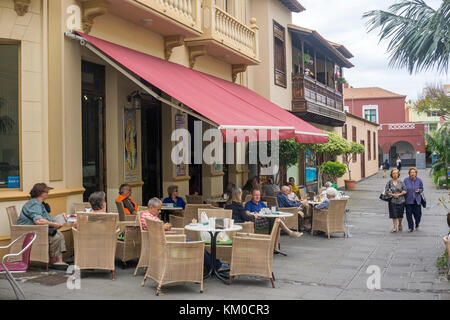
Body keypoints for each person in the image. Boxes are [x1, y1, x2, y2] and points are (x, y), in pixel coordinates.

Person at [141, 197, 226, 273]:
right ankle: (216, 266)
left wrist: (164, 226)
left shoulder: (147, 215)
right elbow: (156, 227)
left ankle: (213, 266)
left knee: (198, 245)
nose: (159, 212)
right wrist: (164, 226)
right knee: (199, 246)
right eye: (158, 210)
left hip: (168, 240)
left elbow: (157, 227)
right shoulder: (147, 217)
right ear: (151, 207)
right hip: (170, 243)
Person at [17, 183, 67, 268]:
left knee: (59, 234)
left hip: (36, 230)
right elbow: (38, 221)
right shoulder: (34, 204)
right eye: (47, 191)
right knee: (55, 237)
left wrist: (60, 219)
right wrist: (54, 224)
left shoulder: (39, 203)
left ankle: (58, 261)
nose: (48, 193)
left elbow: (45, 219)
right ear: (42, 193)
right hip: (29, 233)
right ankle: (53, 260)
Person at [404, 167, 424, 232]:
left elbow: (422, 188)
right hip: (408, 200)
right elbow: (403, 188)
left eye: (413, 172)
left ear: (416, 173)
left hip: (417, 200)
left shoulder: (419, 180)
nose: (412, 174)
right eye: (411, 172)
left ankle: (417, 224)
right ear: (409, 173)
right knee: (409, 215)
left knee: (418, 214)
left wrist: (419, 190)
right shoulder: (406, 180)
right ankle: (410, 227)